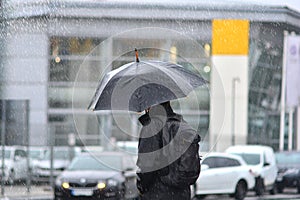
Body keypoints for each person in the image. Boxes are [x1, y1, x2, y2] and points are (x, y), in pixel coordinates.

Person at [136, 101, 200, 200]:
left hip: (157, 193)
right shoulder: (180, 123)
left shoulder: (151, 127)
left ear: (150, 106)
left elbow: (146, 166)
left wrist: (141, 187)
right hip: (182, 194)